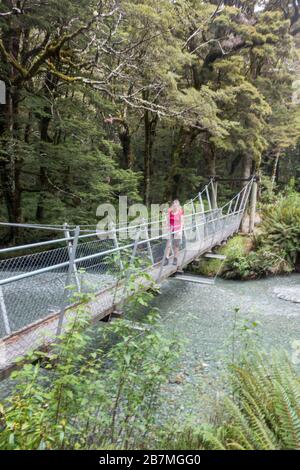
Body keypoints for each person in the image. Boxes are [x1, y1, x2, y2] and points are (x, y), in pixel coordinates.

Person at [164, 199, 184, 267]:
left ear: (178, 206)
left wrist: (180, 231)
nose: (175, 207)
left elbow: (182, 222)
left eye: (176, 206)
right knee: (168, 244)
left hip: (177, 230)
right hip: (170, 229)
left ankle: (175, 258)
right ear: (172, 205)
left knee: (176, 245)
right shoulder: (170, 211)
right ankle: (166, 259)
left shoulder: (180, 212)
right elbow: (167, 220)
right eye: (174, 205)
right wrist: (166, 227)